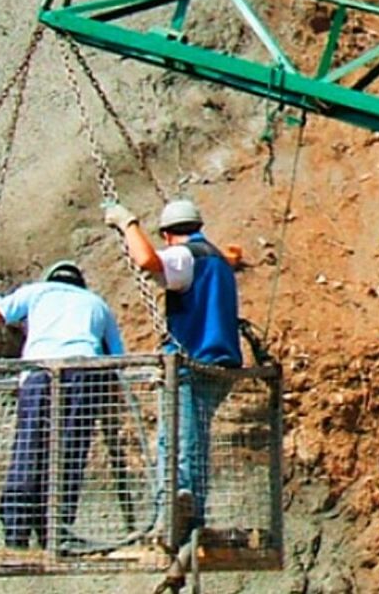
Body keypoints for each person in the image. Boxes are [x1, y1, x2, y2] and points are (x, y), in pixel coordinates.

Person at [104, 198, 242, 545]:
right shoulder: (217, 260)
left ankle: (176, 514)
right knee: (195, 437)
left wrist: (127, 223)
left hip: (191, 359)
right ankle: (191, 512)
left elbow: (147, 261)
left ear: (167, 234)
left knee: (178, 439)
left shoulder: (185, 256)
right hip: (220, 360)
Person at [0, 259, 125, 550]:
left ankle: (17, 529)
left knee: (30, 446)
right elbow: (117, 359)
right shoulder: (97, 304)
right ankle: (57, 530)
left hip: (41, 374)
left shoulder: (37, 292)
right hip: (85, 375)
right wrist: (110, 401)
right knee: (71, 450)